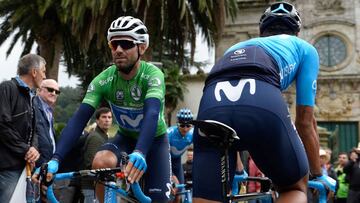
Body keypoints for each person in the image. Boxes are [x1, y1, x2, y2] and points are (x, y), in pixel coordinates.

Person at [192, 2, 336, 203]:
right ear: (297, 31)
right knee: (293, 188)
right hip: (261, 99)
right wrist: (318, 173)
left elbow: (233, 117)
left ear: (262, 31)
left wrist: (238, 168)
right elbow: (304, 121)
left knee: (207, 197)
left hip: (211, 103)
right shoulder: (305, 49)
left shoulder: (234, 47)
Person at [37, 16, 171, 202]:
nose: (118, 50)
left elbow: (152, 113)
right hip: (125, 138)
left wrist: (140, 151)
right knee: (101, 161)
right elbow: (79, 119)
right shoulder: (103, 80)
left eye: (125, 44)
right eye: (113, 44)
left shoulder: (152, 75)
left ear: (142, 47)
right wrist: (56, 159)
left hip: (154, 142)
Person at [0, 53, 46, 202]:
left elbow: (34, 132)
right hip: (7, 169)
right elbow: (2, 125)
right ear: (34, 72)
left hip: (23, 169)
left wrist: (33, 149)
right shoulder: (7, 88)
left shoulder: (31, 97)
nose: (44, 76)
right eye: (43, 71)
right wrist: (26, 149)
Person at [81, 107, 112, 203]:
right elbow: (90, 163)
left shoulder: (103, 137)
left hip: (100, 185)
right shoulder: (95, 137)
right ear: (97, 121)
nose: (107, 120)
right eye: (104, 117)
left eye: (109, 117)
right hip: (92, 186)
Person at [34, 79, 60, 168]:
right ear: (39, 90)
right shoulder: (32, 106)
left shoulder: (49, 111)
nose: (54, 93)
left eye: (57, 91)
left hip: (47, 164)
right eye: (50, 89)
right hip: (35, 163)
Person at [168, 108, 194, 186]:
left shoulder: (193, 133)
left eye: (188, 125)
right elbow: (162, 156)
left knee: (180, 189)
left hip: (177, 162)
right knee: (171, 189)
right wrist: (171, 175)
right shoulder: (169, 134)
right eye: (182, 125)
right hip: (165, 161)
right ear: (177, 124)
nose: (185, 129)